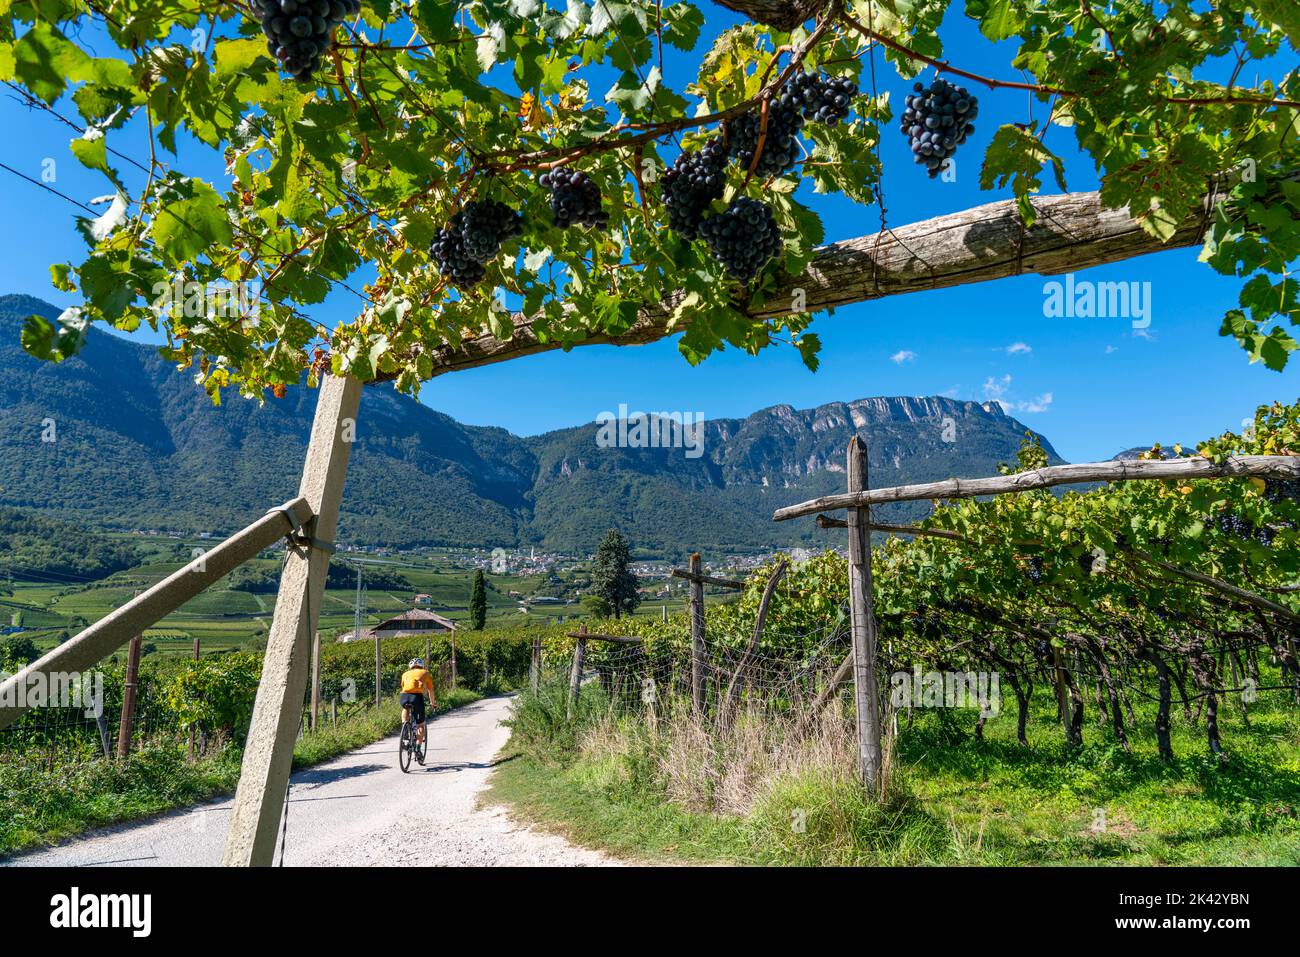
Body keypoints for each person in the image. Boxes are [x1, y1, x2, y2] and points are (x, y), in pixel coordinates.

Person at [399, 657, 436, 756]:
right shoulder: (425, 672)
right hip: (416, 698)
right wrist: (433, 703)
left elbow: (403, 686)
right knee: (420, 725)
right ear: (421, 665)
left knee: (405, 707)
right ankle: (417, 749)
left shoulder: (405, 674)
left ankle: (405, 727)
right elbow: (430, 690)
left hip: (403, 696)